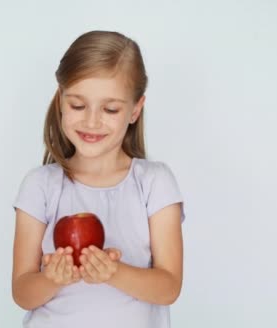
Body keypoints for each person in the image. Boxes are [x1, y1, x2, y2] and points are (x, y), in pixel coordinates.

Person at [11, 30, 185, 328]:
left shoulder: (155, 183)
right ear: (61, 101)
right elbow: (22, 293)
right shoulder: (40, 185)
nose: (92, 121)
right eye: (78, 105)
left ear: (135, 110)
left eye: (110, 109)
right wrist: (51, 279)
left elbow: (168, 288)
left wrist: (113, 272)